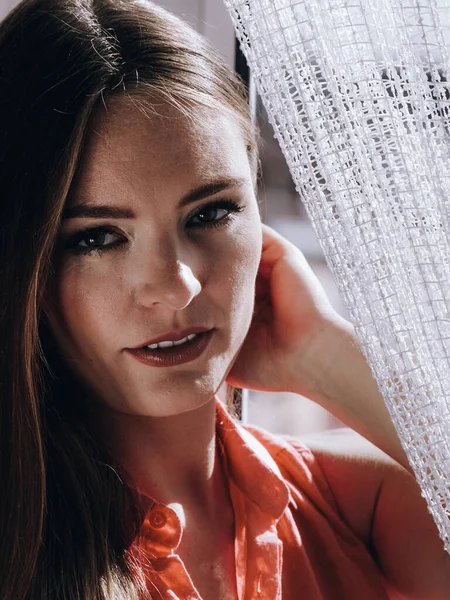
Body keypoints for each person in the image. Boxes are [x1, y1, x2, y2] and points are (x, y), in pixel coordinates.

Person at [0, 0, 449, 598]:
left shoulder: (367, 509)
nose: (177, 285)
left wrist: (324, 355)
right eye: (97, 238)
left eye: (211, 212)